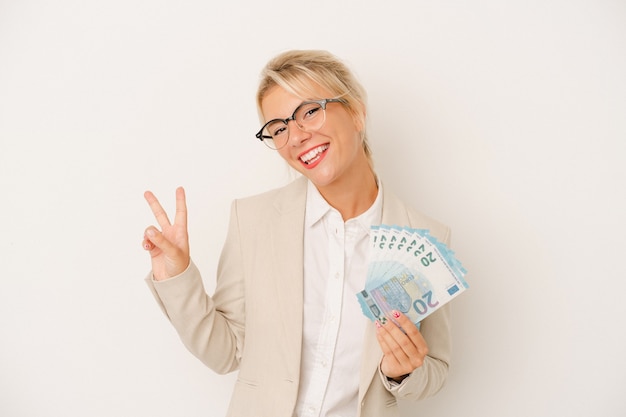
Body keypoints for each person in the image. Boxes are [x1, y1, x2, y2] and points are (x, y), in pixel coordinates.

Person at [142, 50, 452, 417]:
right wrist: (176, 276)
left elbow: (436, 371)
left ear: (356, 112)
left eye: (309, 111)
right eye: (278, 127)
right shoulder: (252, 220)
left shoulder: (424, 238)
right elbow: (226, 353)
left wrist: (402, 372)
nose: (296, 136)